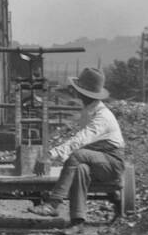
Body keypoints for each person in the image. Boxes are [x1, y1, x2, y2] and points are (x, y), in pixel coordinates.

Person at [31, 67, 125, 224]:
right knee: (80, 169)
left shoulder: (102, 116)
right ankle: (77, 221)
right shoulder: (88, 111)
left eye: (79, 90)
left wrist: (50, 155)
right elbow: (78, 138)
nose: (76, 93)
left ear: (85, 93)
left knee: (77, 156)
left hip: (112, 163)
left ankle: (54, 203)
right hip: (98, 161)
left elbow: (80, 139)